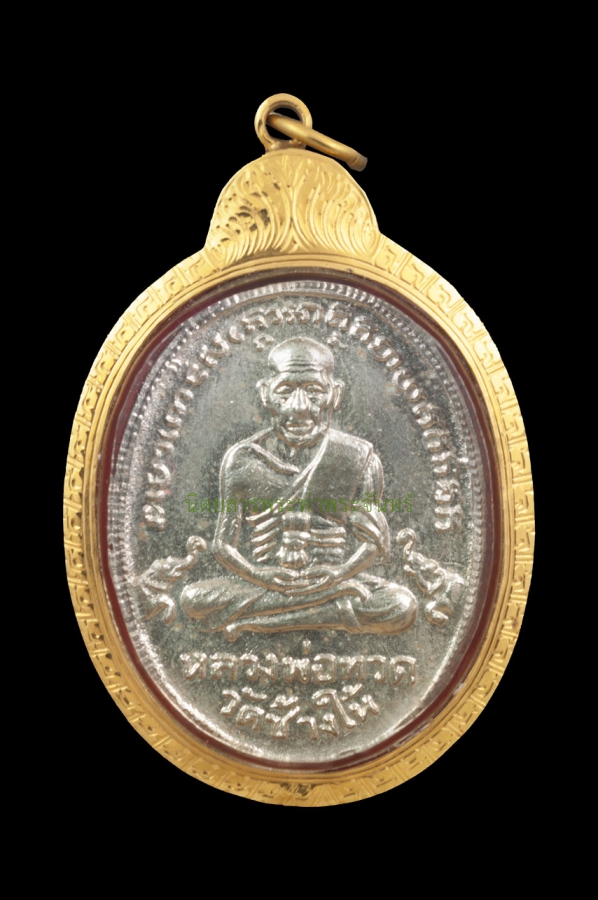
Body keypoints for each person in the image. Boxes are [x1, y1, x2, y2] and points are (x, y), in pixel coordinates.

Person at [180, 337, 417, 640]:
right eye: (285, 391)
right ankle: (316, 613)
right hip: (268, 584)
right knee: (193, 599)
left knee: (401, 605)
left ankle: (263, 622)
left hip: (331, 580)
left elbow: (373, 545)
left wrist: (339, 573)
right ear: (265, 394)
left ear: (335, 394)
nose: (299, 407)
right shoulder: (242, 459)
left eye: (314, 391)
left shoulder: (358, 457)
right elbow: (222, 546)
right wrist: (261, 576)